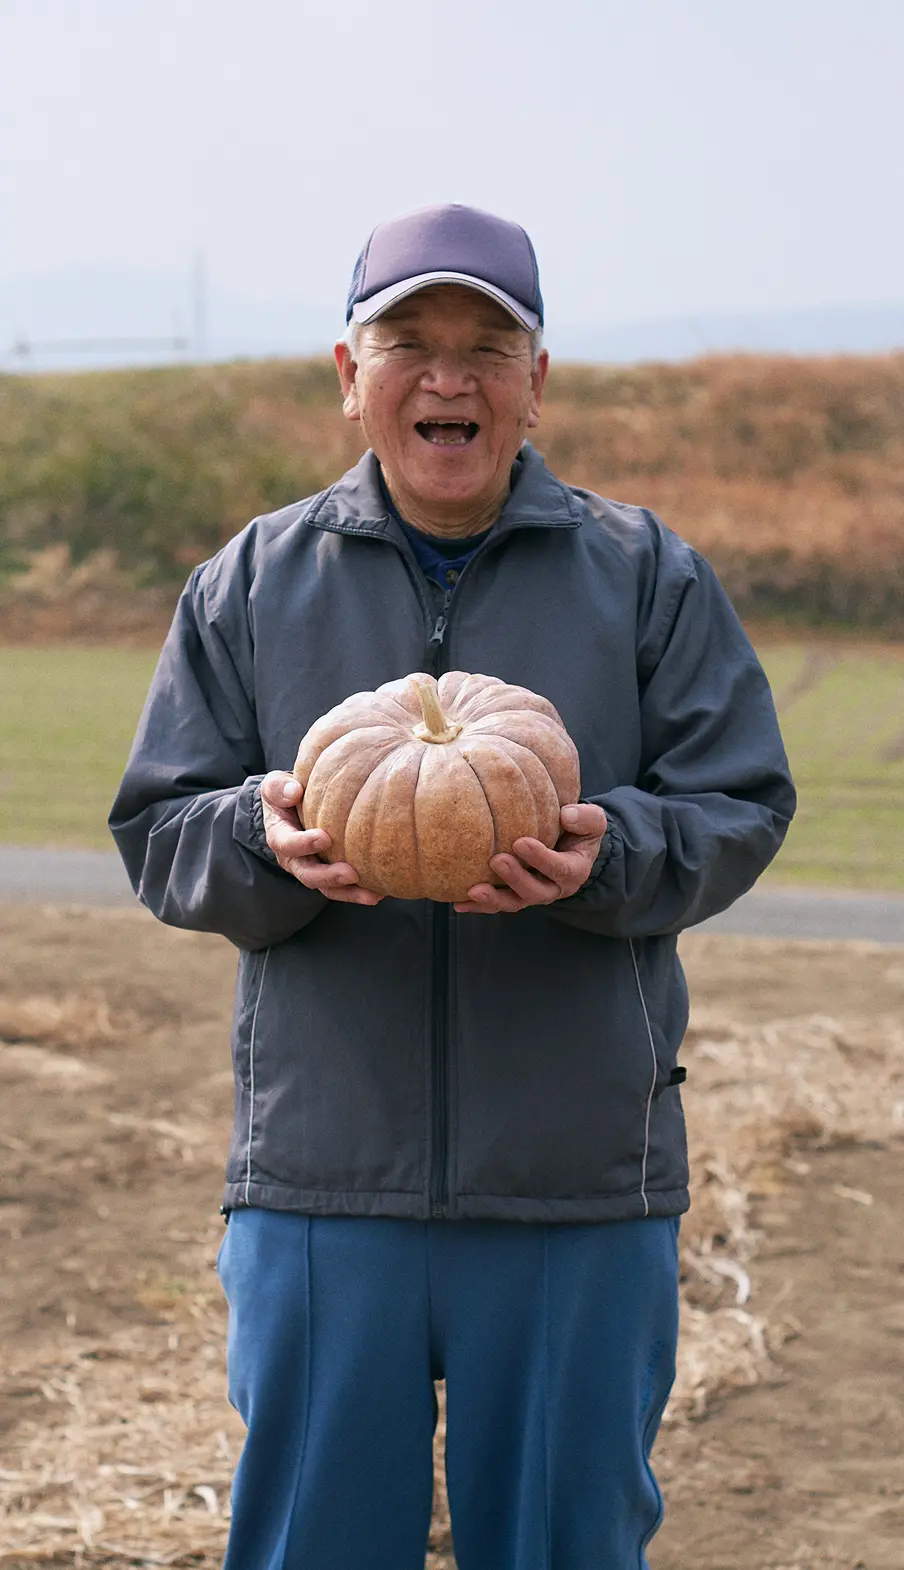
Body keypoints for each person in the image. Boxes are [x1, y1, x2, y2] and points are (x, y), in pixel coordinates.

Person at [110, 202, 796, 1570]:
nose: (448, 375)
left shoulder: (644, 574)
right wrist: (262, 839)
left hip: (576, 1186)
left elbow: (743, 802)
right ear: (348, 373)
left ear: (536, 383)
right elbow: (157, 829)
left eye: (489, 345)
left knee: (562, 1547)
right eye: (407, 340)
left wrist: (613, 856)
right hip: (322, 1185)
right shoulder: (248, 584)